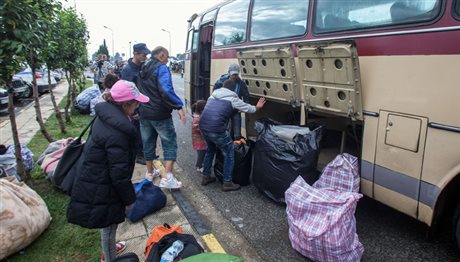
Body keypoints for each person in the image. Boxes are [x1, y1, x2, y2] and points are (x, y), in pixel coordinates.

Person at [67, 80, 150, 262]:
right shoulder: (118, 133)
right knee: (109, 224)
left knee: (106, 223)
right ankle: (109, 257)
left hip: (97, 175)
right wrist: (128, 199)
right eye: (136, 103)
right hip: (104, 184)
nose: (137, 107)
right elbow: (119, 174)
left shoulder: (106, 114)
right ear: (126, 104)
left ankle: (110, 249)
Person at [200, 79, 265, 191]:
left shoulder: (212, 96)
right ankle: (227, 182)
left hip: (203, 127)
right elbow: (251, 109)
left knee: (210, 150)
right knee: (229, 152)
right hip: (216, 129)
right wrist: (258, 106)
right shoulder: (233, 99)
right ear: (234, 89)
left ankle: (206, 176)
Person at [137, 46, 185, 189]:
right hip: (160, 114)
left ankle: (150, 173)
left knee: (148, 143)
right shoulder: (161, 68)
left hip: (144, 113)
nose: (167, 61)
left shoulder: (143, 67)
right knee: (169, 143)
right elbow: (166, 90)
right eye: (167, 57)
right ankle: (168, 177)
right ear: (162, 55)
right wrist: (179, 106)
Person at [121, 43, 151, 165]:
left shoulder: (141, 67)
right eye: (144, 54)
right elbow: (128, 92)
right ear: (136, 54)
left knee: (142, 131)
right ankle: (138, 155)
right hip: (134, 107)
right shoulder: (128, 70)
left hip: (141, 105)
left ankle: (143, 153)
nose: (145, 57)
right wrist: (135, 111)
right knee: (136, 132)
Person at [213, 64, 250, 141]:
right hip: (224, 109)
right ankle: (223, 148)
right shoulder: (221, 81)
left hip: (235, 110)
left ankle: (236, 149)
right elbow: (214, 93)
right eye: (233, 74)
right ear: (229, 72)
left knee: (237, 133)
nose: (234, 76)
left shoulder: (241, 83)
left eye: (236, 74)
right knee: (223, 130)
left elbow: (246, 96)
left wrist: (244, 106)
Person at [191, 100, 207, 173]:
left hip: (199, 140)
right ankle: (199, 166)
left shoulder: (197, 116)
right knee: (201, 154)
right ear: (202, 110)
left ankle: (202, 163)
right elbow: (197, 128)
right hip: (199, 140)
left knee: (202, 153)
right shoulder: (197, 118)